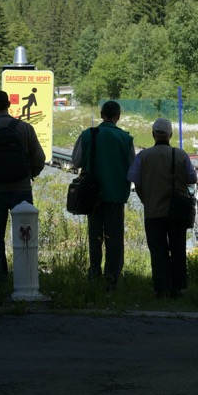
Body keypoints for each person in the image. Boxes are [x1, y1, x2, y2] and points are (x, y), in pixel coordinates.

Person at [0, 90, 46, 281]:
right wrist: (29, 176)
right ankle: (26, 277)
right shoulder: (25, 128)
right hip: (22, 190)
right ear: (8, 105)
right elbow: (39, 159)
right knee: (26, 236)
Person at [127, 118, 197, 298]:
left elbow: (134, 178)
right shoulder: (180, 155)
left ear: (153, 134)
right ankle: (178, 287)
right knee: (178, 248)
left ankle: (161, 287)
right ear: (171, 135)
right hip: (177, 211)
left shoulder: (143, 156)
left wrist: (146, 198)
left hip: (153, 210)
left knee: (158, 251)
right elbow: (192, 178)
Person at [71, 100, 134, 289]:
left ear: (101, 115)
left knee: (95, 236)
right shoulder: (125, 138)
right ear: (118, 116)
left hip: (92, 194)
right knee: (114, 238)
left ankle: (94, 275)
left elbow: (76, 161)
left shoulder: (88, 135)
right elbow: (133, 168)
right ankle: (112, 279)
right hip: (116, 195)